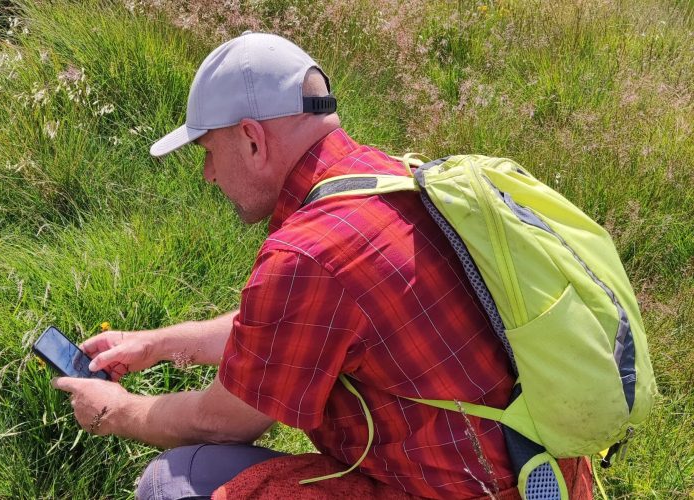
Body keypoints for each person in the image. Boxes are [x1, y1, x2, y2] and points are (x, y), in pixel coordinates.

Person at [52, 32, 592, 499]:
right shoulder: (389, 177)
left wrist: (114, 410)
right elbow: (293, 328)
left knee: (175, 481)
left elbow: (222, 422)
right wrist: (159, 344)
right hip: (543, 471)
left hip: (463, 491)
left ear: (251, 138)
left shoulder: (308, 254)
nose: (208, 174)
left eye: (209, 151)